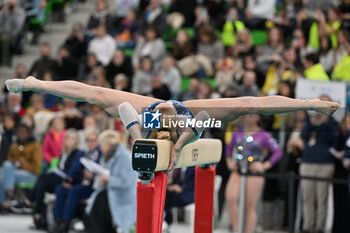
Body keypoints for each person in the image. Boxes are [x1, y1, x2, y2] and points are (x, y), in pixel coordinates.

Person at [5, 76, 339, 169]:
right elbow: (199, 122)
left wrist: (138, 136)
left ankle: (36, 84)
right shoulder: (183, 134)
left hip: (156, 112)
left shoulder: (146, 131)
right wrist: (178, 144)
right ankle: (34, 82)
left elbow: (121, 107)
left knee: (97, 95)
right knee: (248, 105)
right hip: (187, 113)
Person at [225, 114, 282, 233]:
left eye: (251, 115)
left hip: (254, 171)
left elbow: (277, 152)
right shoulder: (238, 132)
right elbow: (228, 150)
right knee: (230, 197)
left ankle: (248, 231)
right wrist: (230, 162)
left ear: (258, 117)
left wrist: (264, 165)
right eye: (246, 115)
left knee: (249, 206)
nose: (248, 117)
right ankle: (236, 228)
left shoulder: (264, 135)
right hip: (238, 169)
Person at [299, 95, 339, 233]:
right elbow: (303, 136)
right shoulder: (310, 120)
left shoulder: (333, 122)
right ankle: (308, 226)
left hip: (324, 164)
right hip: (308, 162)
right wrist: (311, 124)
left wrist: (326, 122)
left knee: (322, 197)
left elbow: (334, 139)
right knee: (307, 197)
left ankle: (320, 227)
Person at [84, 130, 137, 233]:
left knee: (99, 203)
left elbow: (126, 182)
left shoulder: (125, 157)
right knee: (96, 205)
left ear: (109, 144)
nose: (101, 148)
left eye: (102, 145)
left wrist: (109, 179)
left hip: (124, 196)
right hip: (111, 192)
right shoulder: (108, 157)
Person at [51, 129, 101, 233]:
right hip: (80, 182)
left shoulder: (100, 153)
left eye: (93, 140)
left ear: (97, 141)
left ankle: (65, 223)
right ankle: (57, 221)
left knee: (74, 192)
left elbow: (103, 171)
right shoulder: (83, 153)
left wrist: (93, 175)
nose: (90, 143)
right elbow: (75, 170)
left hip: (94, 185)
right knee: (60, 189)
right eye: (88, 140)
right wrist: (70, 181)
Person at [0, 124, 42, 209]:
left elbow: (36, 168)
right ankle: (8, 194)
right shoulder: (14, 146)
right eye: (19, 132)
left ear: (28, 133)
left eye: (23, 132)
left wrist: (19, 163)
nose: (21, 134)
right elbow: (8, 164)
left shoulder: (35, 146)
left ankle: (5, 200)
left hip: (31, 175)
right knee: (6, 166)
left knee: (3, 176)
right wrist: (13, 163)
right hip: (14, 174)